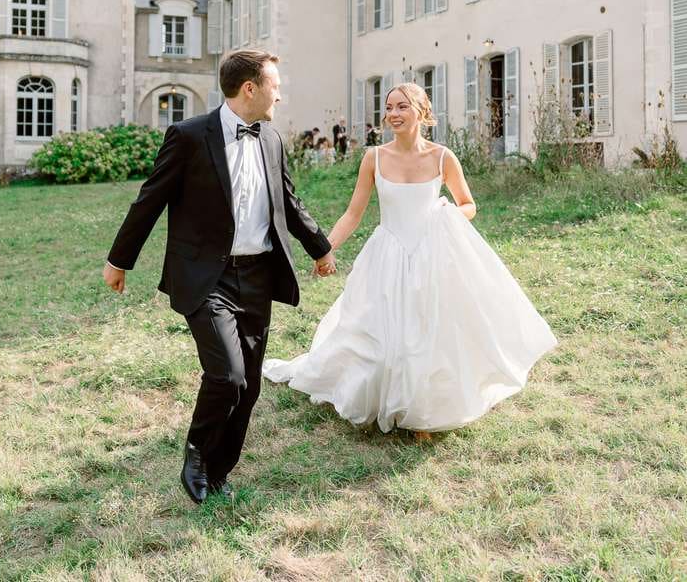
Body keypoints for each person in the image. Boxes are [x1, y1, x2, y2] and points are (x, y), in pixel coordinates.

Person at [102, 50, 335, 503]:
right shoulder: (189, 136)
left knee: (247, 388)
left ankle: (219, 471)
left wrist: (320, 247)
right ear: (250, 88)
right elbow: (149, 200)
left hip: (258, 278)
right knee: (227, 375)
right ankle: (195, 453)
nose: (280, 93)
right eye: (275, 84)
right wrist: (120, 260)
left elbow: (287, 201)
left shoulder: (271, 139)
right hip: (207, 278)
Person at [263, 82, 557, 438]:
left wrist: (449, 212)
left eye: (402, 107)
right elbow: (353, 214)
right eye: (389, 107)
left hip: (430, 253)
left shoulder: (443, 157)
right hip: (387, 254)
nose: (393, 114)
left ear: (421, 111)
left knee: (427, 331)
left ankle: (424, 412)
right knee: (377, 332)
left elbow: (469, 204)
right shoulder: (373, 157)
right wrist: (327, 249)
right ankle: (378, 395)